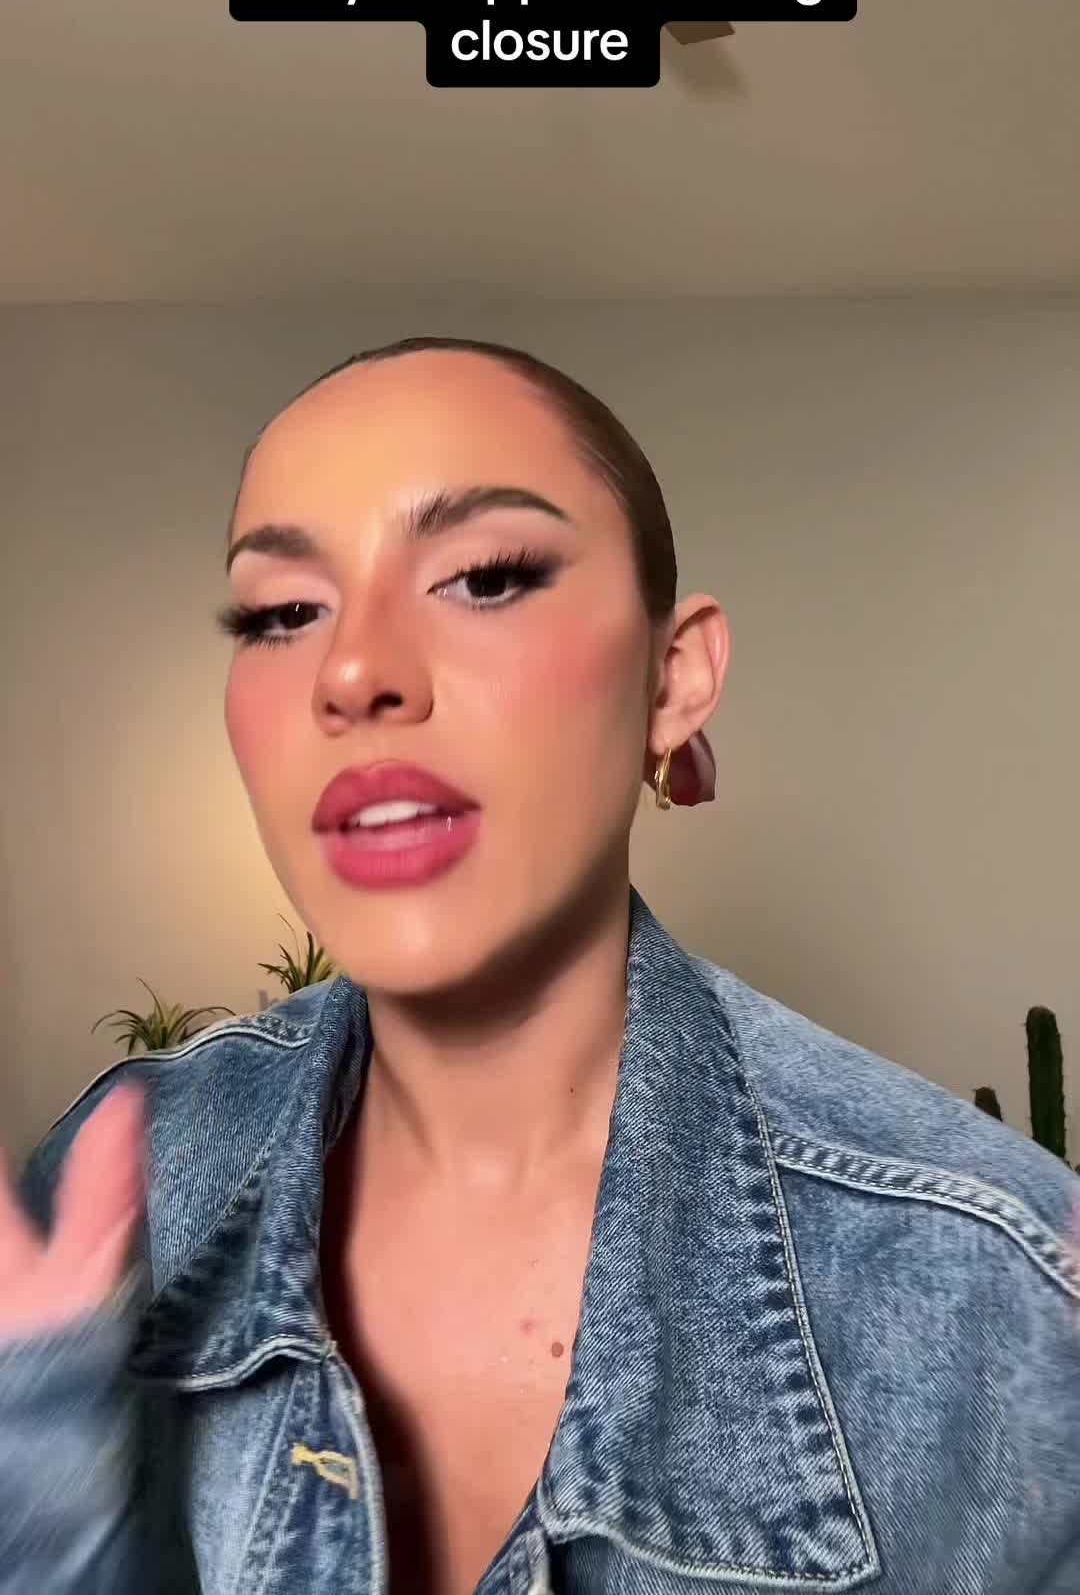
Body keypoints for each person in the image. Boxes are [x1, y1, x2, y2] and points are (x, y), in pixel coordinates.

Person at [2, 335, 1079, 1595]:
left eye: (486, 577)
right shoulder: (116, 1189)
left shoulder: (997, 1301)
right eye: (283, 613)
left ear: (674, 678)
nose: (352, 673)